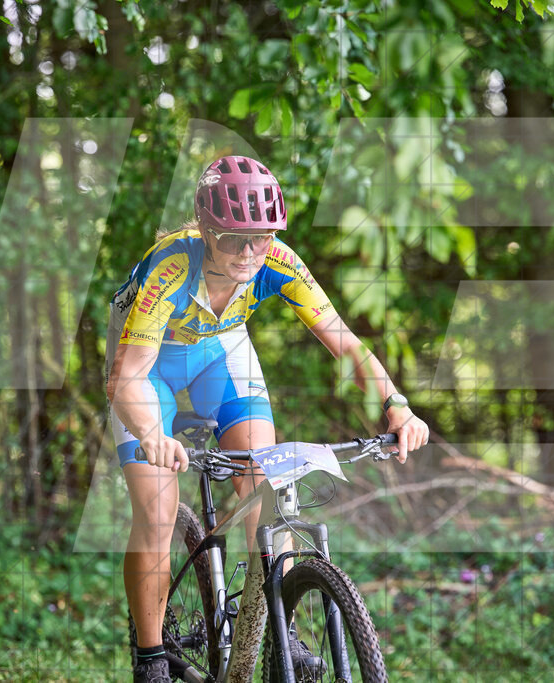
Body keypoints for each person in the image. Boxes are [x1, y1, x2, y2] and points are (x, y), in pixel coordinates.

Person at [105, 155, 429, 683]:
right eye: (235, 239)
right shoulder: (171, 268)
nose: (251, 252)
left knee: (268, 488)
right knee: (157, 513)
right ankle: (151, 657)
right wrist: (151, 435)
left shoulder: (277, 260)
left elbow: (345, 343)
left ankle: (282, 629)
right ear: (206, 229)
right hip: (148, 368)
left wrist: (397, 404)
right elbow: (128, 378)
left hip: (221, 354)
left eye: (262, 237)